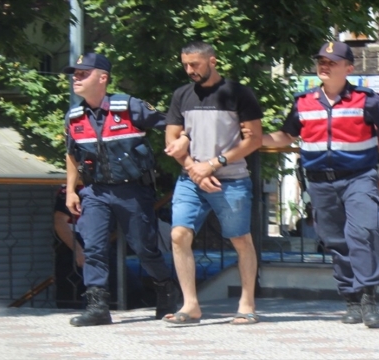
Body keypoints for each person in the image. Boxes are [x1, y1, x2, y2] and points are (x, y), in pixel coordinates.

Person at [261, 41, 379, 328]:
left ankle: (369, 300)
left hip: (359, 178)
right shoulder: (303, 102)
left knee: (363, 233)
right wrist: (252, 139)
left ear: (349, 68)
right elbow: (285, 136)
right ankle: (351, 300)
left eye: (332, 62)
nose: (324, 65)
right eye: (321, 60)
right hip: (320, 183)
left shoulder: (366, 100)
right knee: (336, 243)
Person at [62, 53, 187, 326]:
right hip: (95, 191)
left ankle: (166, 289)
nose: (76, 78)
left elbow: (172, 125)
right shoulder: (74, 117)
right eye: (75, 73)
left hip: (132, 191)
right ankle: (97, 307)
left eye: (84, 73)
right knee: (93, 246)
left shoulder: (130, 107)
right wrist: (72, 190)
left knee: (144, 248)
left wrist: (184, 140)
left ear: (103, 78)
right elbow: (72, 155)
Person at [162, 41, 263, 325]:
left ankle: (246, 304)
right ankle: (190, 305)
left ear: (212, 61)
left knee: (241, 240)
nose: (189, 70)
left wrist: (214, 164)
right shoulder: (181, 95)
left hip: (231, 180)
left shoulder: (239, 93)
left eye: (195, 64)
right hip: (191, 179)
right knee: (179, 235)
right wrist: (195, 169)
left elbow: (254, 139)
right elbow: (171, 140)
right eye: (185, 65)